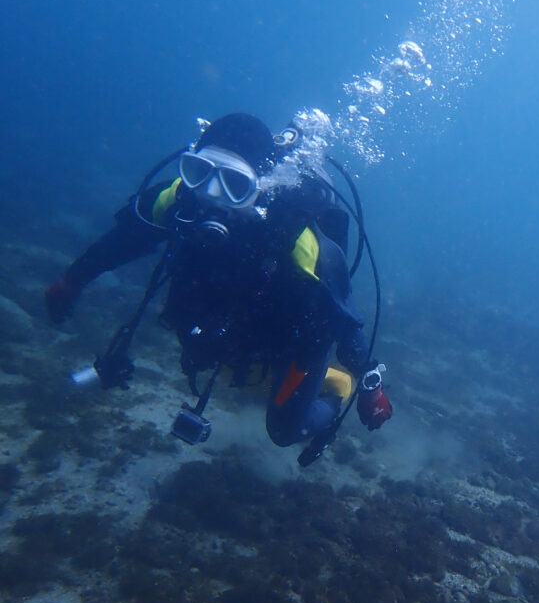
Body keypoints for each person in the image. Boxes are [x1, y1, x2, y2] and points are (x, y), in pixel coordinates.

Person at [45, 113, 392, 450]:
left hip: (295, 343)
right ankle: (260, 374)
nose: (210, 193)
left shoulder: (296, 239)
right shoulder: (179, 198)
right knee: (223, 360)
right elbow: (123, 240)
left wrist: (369, 385)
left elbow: (343, 319)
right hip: (226, 329)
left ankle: (336, 386)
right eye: (199, 172)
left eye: (234, 183)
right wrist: (72, 280)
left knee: (286, 429)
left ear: (260, 185)